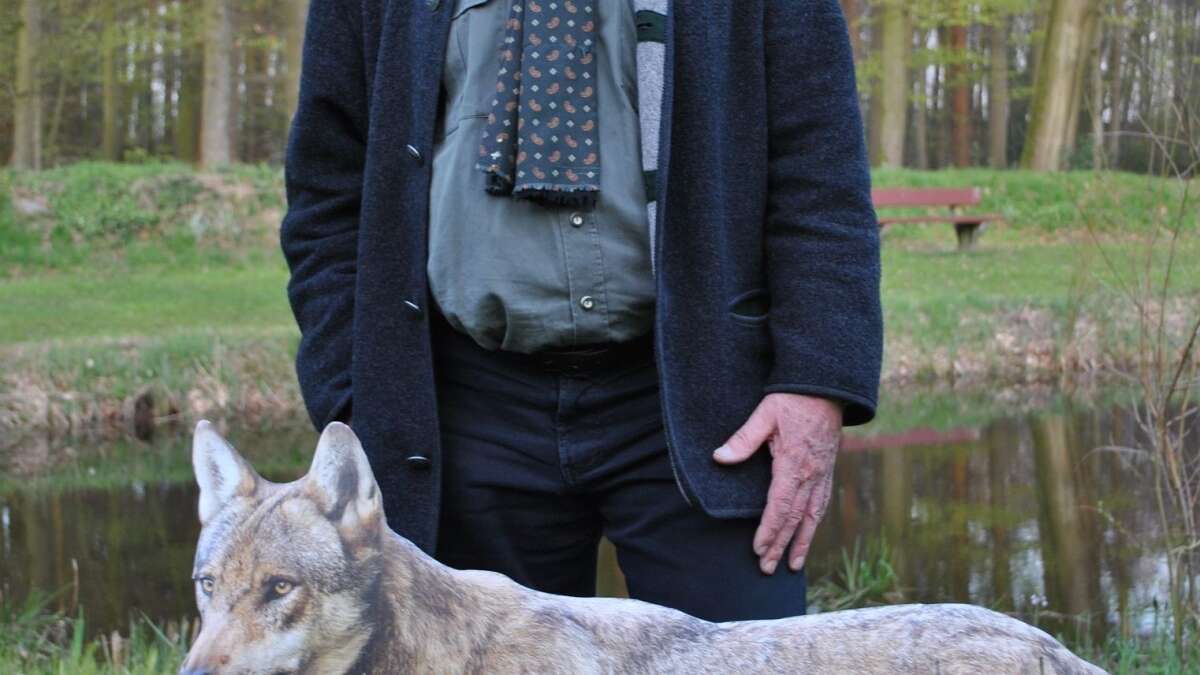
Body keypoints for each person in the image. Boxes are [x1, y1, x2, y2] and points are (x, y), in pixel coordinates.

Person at [281, 0, 881, 623]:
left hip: (704, 404)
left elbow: (821, 173)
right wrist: (354, 395)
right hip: (462, 408)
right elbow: (327, 190)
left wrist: (815, 383)